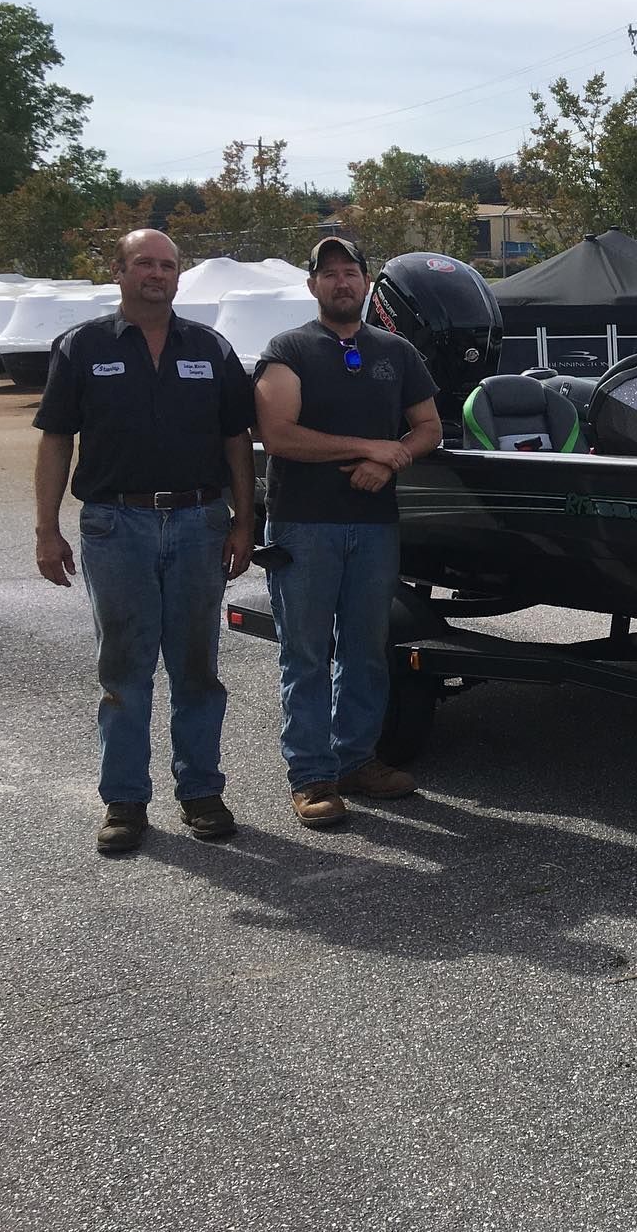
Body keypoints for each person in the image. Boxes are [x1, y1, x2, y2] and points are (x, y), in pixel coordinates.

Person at [33, 228, 256, 854]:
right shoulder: (80, 348)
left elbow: (235, 438)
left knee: (197, 667)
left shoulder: (210, 348)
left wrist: (244, 519)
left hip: (197, 522)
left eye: (167, 265)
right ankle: (125, 800)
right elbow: (55, 439)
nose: (156, 274)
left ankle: (201, 791)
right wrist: (46, 531)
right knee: (124, 671)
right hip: (115, 525)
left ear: (178, 277)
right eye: (144, 264)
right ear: (120, 271)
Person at [253, 236, 442, 828]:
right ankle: (311, 777)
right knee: (306, 654)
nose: (342, 283)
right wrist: (369, 445)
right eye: (329, 274)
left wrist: (390, 460)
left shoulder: (397, 352)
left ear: (366, 283)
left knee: (365, 652)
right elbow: (279, 435)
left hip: (374, 526)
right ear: (313, 286)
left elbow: (430, 426)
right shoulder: (288, 351)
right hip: (304, 526)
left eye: (351, 273)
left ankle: (357, 760)